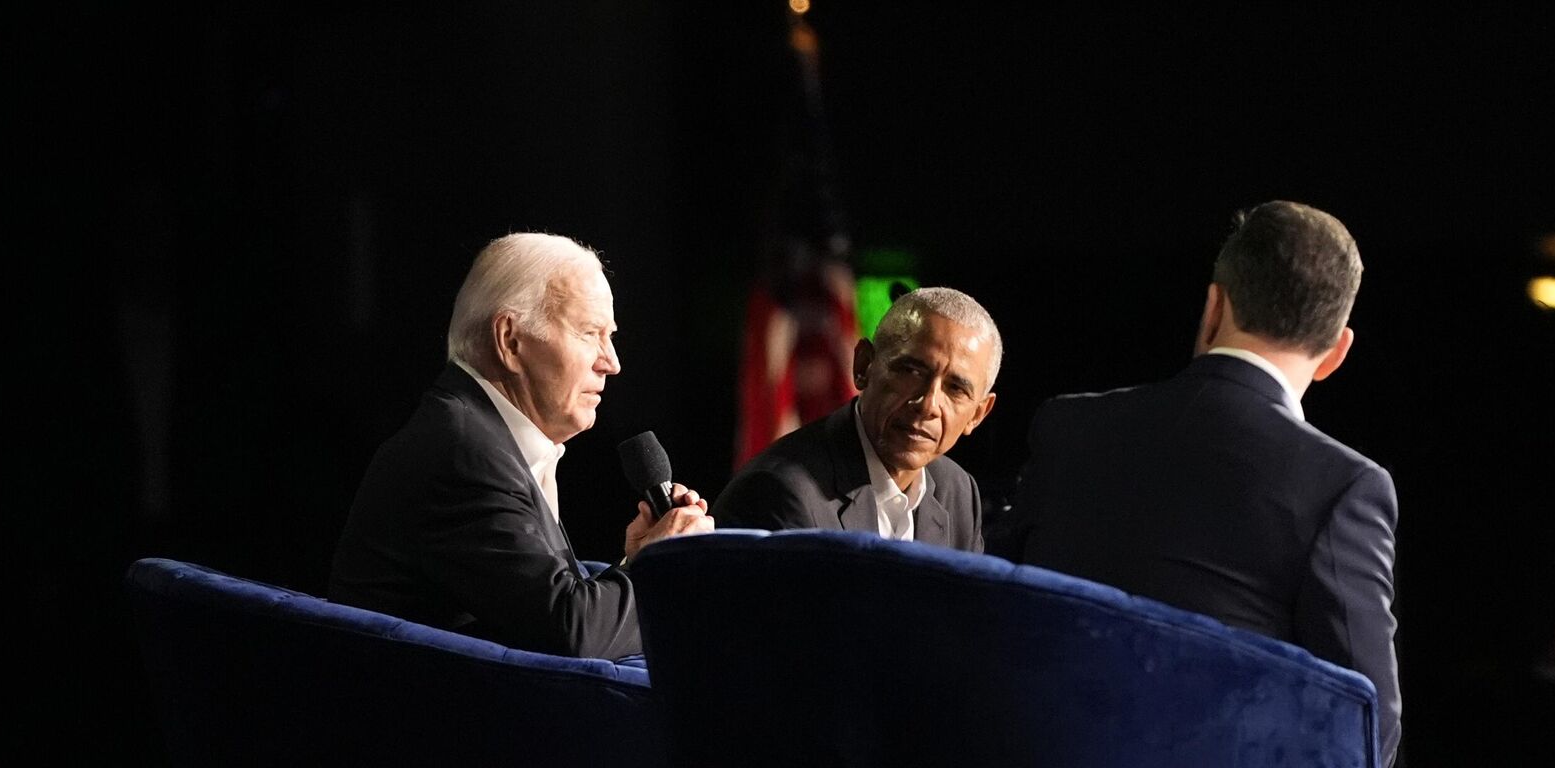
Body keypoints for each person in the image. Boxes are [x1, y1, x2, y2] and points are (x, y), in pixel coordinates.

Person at [994, 201, 1400, 764]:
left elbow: (994, 609)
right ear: (1337, 352)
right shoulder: (1344, 486)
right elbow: (1366, 725)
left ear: (1213, 307)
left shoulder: (1068, 426)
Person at [327, 232, 714, 660]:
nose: (612, 362)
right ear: (510, 340)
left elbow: (552, 614)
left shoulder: (483, 436)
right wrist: (661, 565)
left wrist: (638, 560)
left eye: (611, 336)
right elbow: (572, 635)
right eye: (589, 333)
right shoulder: (463, 454)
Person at [714, 287, 1000, 552]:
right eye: (911, 371)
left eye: (956, 389)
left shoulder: (958, 491)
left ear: (978, 414)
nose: (928, 405)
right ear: (863, 366)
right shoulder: (782, 492)